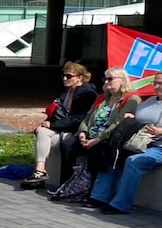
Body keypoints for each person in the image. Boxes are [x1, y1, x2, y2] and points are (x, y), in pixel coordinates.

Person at [55, 67, 140, 196]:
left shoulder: (131, 99)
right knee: (67, 145)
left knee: (96, 152)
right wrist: (83, 133)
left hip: (107, 138)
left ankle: (89, 190)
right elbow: (87, 117)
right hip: (90, 135)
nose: (106, 82)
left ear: (122, 81)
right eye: (105, 79)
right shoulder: (101, 98)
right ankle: (66, 185)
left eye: (110, 79)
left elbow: (118, 124)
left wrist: (98, 139)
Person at [91, 72, 162, 214]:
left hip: (158, 146)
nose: (156, 86)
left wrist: (160, 131)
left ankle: (121, 204)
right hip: (138, 141)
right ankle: (99, 196)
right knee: (113, 153)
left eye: (160, 83)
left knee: (133, 161)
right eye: (155, 82)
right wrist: (132, 117)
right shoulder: (151, 101)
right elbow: (140, 117)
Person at [20, 61, 97, 189]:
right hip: (61, 127)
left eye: (69, 76)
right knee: (42, 132)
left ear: (80, 78)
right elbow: (58, 112)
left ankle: (65, 183)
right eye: (64, 75)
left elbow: (78, 119)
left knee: (65, 143)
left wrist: (52, 124)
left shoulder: (88, 94)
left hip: (75, 130)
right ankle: (40, 171)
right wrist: (45, 123)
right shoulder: (65, 92)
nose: (65, 78)